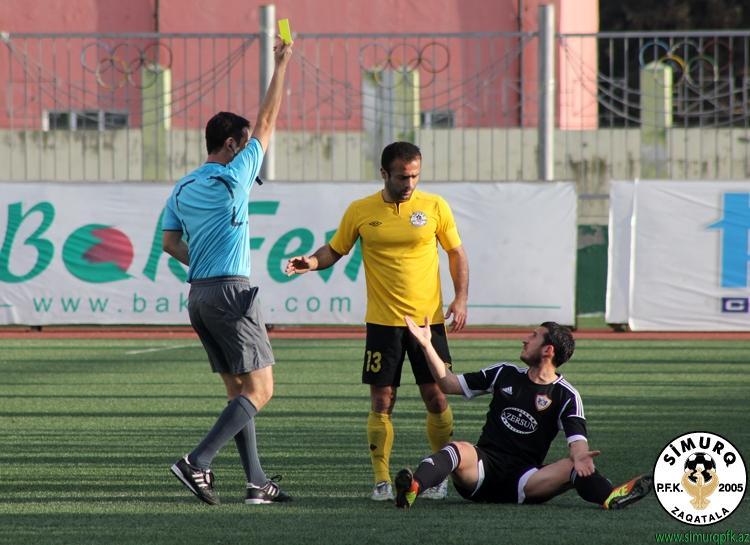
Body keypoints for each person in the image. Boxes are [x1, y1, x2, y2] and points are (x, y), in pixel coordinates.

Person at [285, 142, 469, 501]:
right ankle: (382, 480)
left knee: (436, 396)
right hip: (383, 324)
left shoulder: (435, 207)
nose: (409, 183)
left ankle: (438, 476)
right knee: (382, 400)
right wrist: (311, 262)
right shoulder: (361, 210)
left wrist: (460, 297)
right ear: (384, 173)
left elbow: (455, 252)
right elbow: (335, 249)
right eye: (402, 177)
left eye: (415, 176)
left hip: (427, 323)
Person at [161, 37, 293, 506]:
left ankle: (257, 482)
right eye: (244, 143)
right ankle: (196, 461)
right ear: (232, 144)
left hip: (198, 295)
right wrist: (281, 65)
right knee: (262, 389)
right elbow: (268, 121)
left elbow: (169, 243)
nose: (250, 150)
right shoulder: (234, 175)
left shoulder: (183, 186)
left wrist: (202, 260)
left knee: (239, 391)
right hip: (230, 294)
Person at [393, 317, 653, 510]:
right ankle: (413, 488)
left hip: (527, 481)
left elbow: (577, 443)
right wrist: (426, 345)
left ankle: (610, 497)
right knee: (457, 449)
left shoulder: (566, 395)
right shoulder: (504, 373)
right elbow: (448, 384)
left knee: (572, 466)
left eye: (534, 336)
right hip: (481, 471)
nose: (525, 339)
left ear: (548, 350)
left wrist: (581, 456)